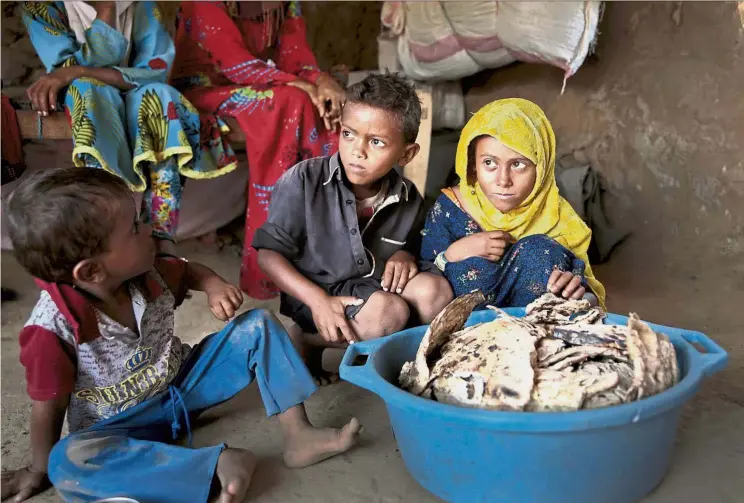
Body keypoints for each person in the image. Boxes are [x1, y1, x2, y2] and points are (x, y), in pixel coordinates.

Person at [0, 168, 361, 503]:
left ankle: (300, 436)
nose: (149, 229)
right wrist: (38, 469)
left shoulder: (149, 271)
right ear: (92, 270)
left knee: (259, 326)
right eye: (134, 227)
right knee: (66, 462)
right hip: (120, 427)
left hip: (181, 388)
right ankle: (215, 465)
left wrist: (213, 283)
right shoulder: (51, 330)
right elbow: (49, 405)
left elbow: (186, 272)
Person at [253, 73, 454, 383]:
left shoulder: (409, 197)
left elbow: (413, 247)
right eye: (349, 134)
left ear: (406, 154)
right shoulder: (304, 181)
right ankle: (307, 340)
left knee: (435, 291)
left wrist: (404, 255)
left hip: (371, 286)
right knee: (391, 313)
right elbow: (267, 255)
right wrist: (318, 301)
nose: (357, 151)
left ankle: (413, 366)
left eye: (376, 142)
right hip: (315, 294)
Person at [22, 1, 237, 256]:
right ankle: (109, 236)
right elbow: (62, 71)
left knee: (162, 94)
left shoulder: (139, 4)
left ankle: (160, 233)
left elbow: (155, 70)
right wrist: (105, 13)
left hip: (131, 88)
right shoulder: (40, 5)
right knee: (87, 89)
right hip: (81, 94)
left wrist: (78, 69)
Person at [172, 1, 346, 299]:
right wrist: (306, 86)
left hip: (267, 84)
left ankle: (327, 247)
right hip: (202, 89)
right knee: (290, 101)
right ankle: (268, 261)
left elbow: (295, 58)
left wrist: (322, 81)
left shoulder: (281, 3)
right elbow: (234, 62)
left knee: (327, 107)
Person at [421, 98, 606, 309]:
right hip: (462, 338)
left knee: (541, 250)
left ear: (541, 167)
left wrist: (577, 294)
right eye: (489, 163)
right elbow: (420, 287)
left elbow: (591, 301)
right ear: (472, 166)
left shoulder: (559, 218)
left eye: (518, 164)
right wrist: (452, 254)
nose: (503, 180)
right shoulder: (450, 210)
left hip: (534, 336)